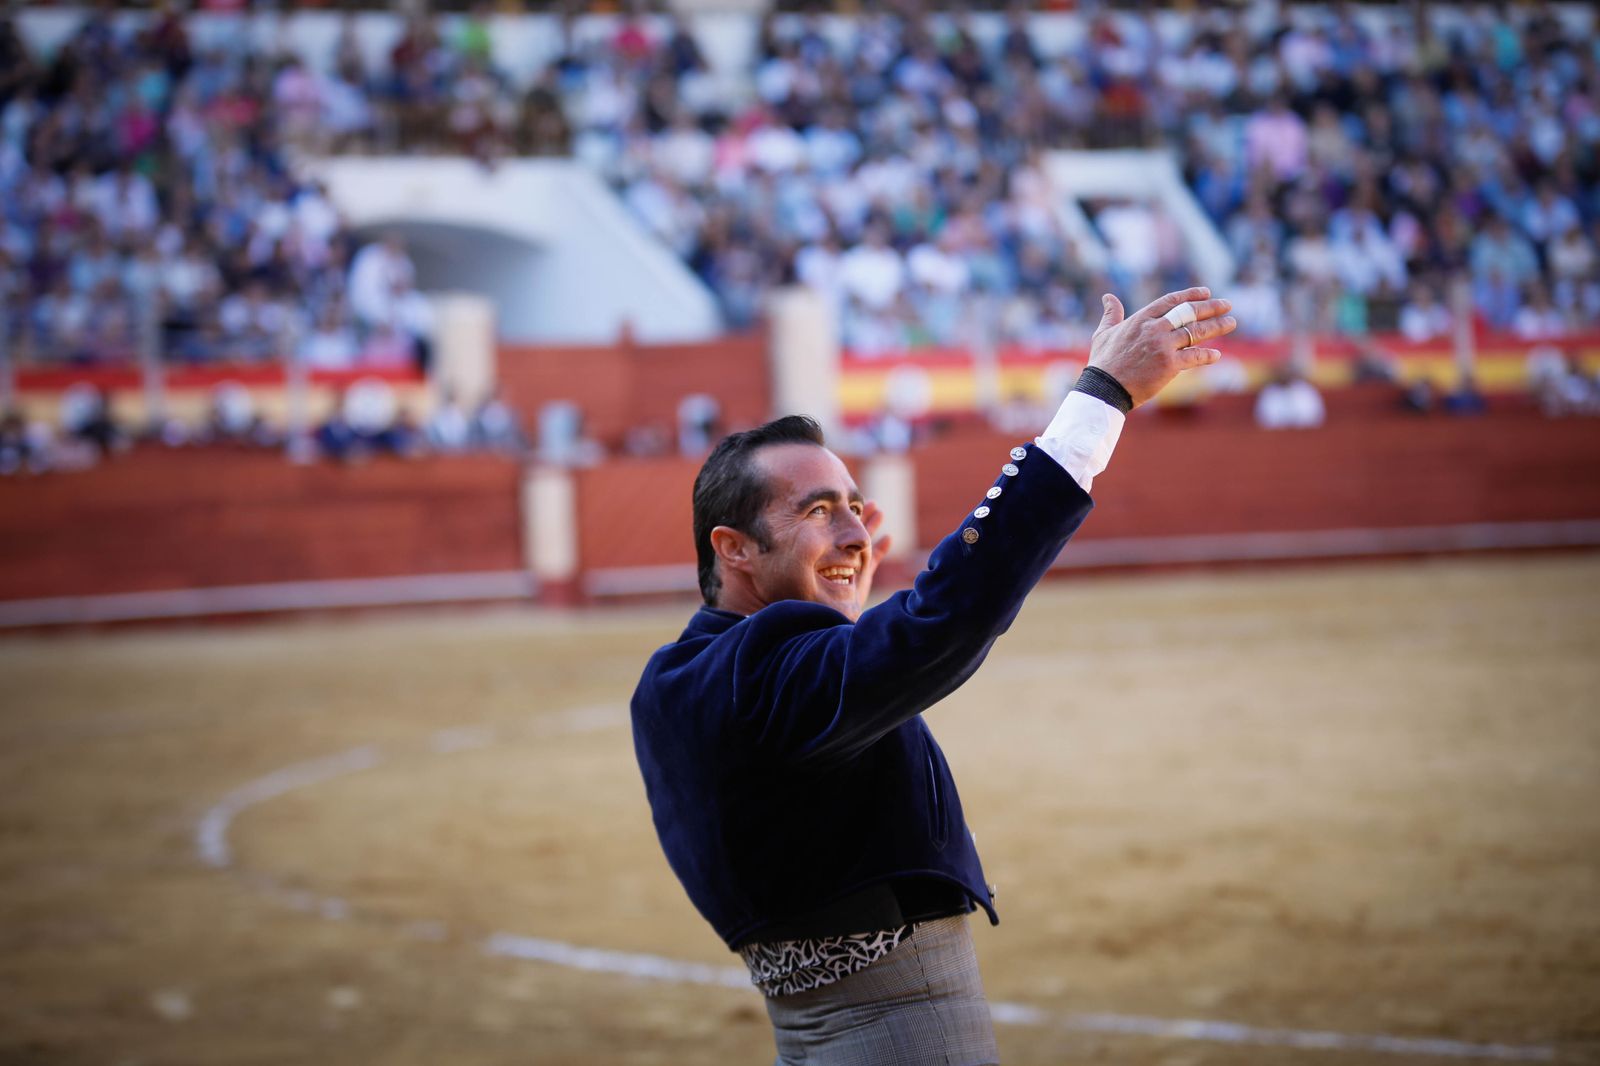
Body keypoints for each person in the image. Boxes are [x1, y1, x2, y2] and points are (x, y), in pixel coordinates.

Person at [631, 286, 1236, 1065]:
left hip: (807, 1033)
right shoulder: (766, 671)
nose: (856, 531)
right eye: (819, 511)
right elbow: (942, 620)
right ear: (734, 548)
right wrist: (1101, 400)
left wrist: (834, 597)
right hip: (904, 1032)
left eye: (855, 505)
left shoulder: (672, 680)